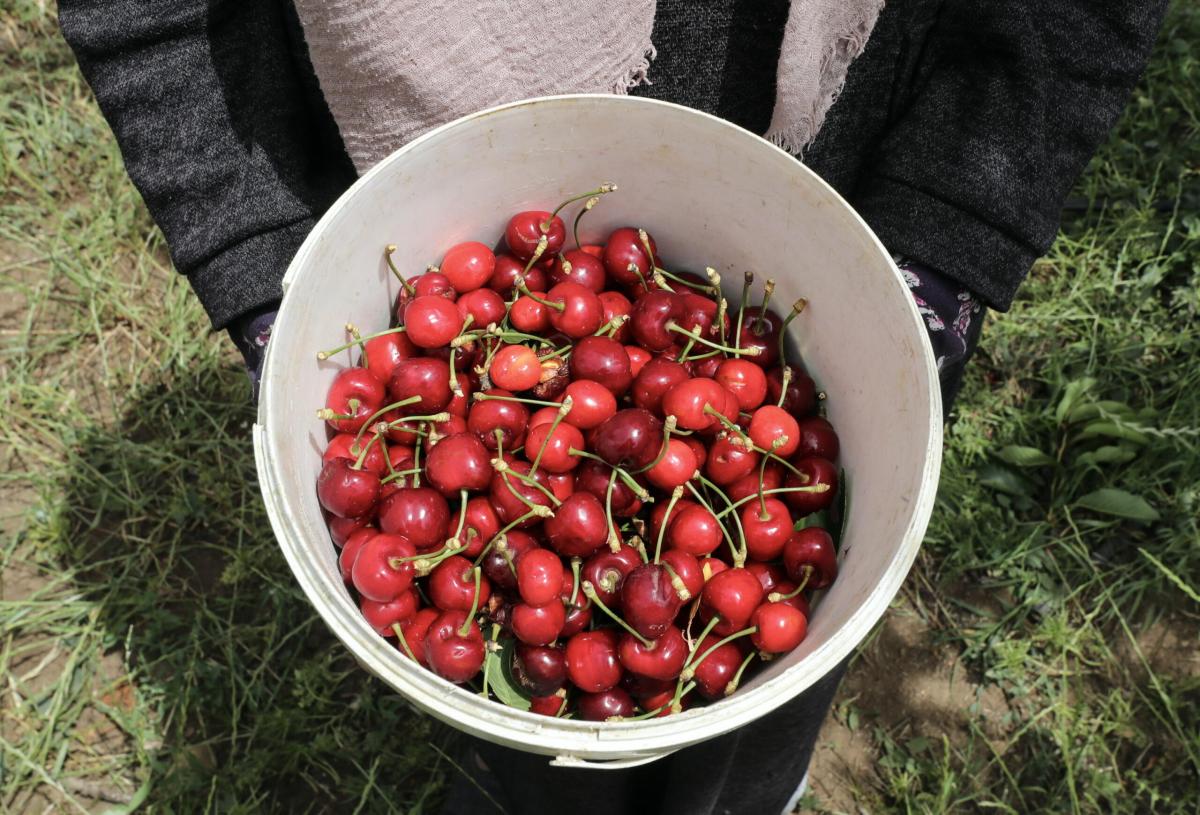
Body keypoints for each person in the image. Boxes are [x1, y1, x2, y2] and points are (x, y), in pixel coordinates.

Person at [59, 1, 1167, 812]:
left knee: (756, 710)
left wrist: (943, 237)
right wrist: (265, 277)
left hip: (858, 166)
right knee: (537, 729)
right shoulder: (550, 463)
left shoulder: (731, 484)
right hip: (502, 300)